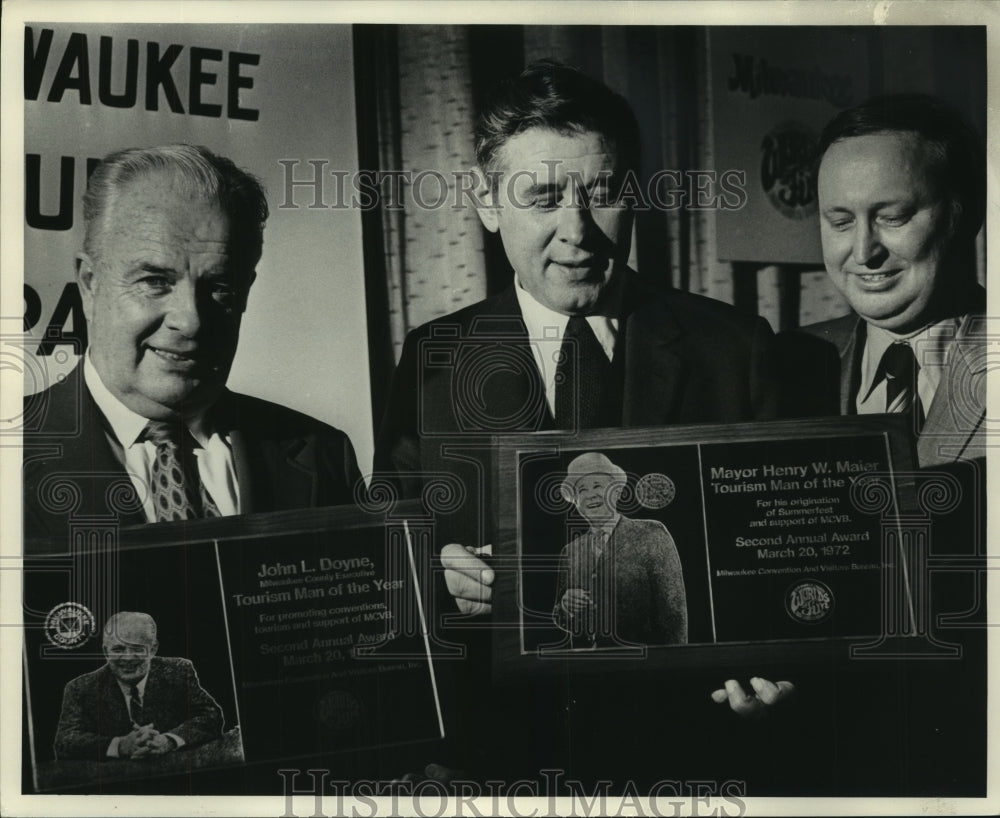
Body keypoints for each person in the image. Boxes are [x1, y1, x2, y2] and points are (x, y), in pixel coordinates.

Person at [374, 60, 794, 787]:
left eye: (601, 194)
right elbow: (388, 553)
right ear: (486, 202)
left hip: (691, 754)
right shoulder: (432, 357)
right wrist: (435, 576)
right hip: (501, 765)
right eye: (540, 197)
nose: (577, 232)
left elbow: (782, 560)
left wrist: (775, 669)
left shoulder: (734, 347)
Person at [23, 144, 362, 547]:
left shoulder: (324, 454)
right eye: (155, 281)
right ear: (90, 284)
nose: (191, 320)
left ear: (245, 293)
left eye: (220, 288)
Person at [784, 94, 986, 468]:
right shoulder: (785, 361)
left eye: (893, 217)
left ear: (967, 217)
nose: (863, 253)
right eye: (841, 222)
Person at [552, 452, 687, 647]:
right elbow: (561, 618)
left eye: (597, 486)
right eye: (581, 490)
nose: (590, 495)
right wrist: (565, 607)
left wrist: (673, 664)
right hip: (588, 668)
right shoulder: (570, 551)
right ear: (576, 502)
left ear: (616, 491)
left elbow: (673, 613)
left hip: (644, 666)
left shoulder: (651, 534)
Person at [53, 612, 223, 761]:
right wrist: (120, 746)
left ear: (153, 649)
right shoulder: (80, 688)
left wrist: (169, 740)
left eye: (137, 649)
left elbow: (210, 715)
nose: (127, 658)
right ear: (106, 651)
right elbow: (65, 740)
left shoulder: (178, 671)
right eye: (118, 649)